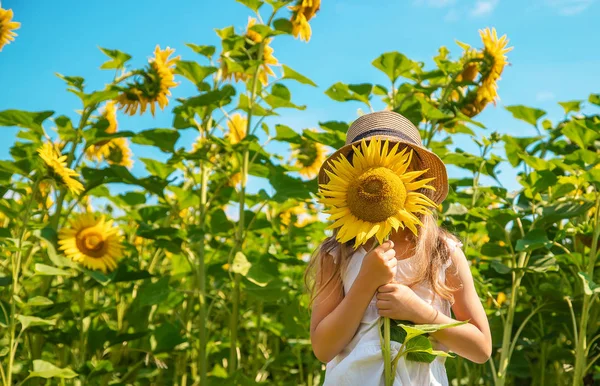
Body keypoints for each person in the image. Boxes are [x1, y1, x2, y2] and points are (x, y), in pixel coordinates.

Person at [305, 111, 492, 385]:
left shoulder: (442, 251)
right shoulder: (337, 253)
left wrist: (421, 313)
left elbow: (481, 348)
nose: (384, 177)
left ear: (419, 177)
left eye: (399, 164)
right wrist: (365, 283)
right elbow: (323, 348)